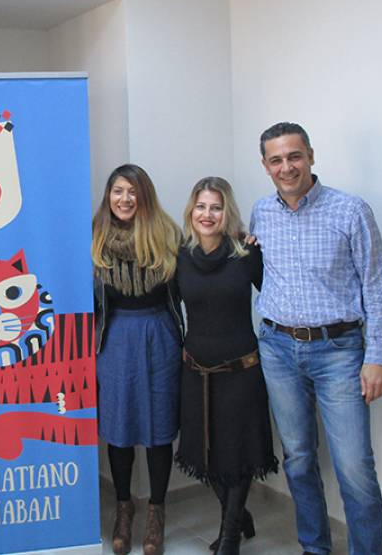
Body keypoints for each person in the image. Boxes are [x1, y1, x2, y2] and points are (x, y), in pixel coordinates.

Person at [250, 122, 382, 555]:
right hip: (278, 349)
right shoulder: (261, 212)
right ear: (265, 166)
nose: (286, 167)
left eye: (294, 156)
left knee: (354, 468)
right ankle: (315, 548)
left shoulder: (350, 211)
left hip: (339, 353)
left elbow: (377, 288)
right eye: (276, 160)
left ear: (311, 156)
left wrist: (377, 357)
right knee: (297, 458)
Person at [174, 177, 278, 555]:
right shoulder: (179, 256)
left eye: (215, 207)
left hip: (240, 371)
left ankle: (229, 537)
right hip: (195, 372)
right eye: (201, 206)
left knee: (238, 453)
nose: (207, 214)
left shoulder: (246, 254)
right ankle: (238, 515)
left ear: (226, 212)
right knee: (205, 455)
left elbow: (278, 295)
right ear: (191, 211)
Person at [92, 164, 183, 555]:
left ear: (144, 195)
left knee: (159, 427)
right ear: (108, 195)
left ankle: (157, 512)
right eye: (118, 191)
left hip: (159, 335)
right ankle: (124, 509)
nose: (124, 199)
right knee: (120, 427)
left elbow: (194, 278)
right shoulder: (94, 237)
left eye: (132, 191)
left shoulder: (168, 235)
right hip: (113, 339)